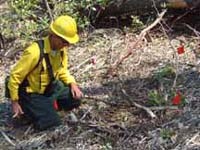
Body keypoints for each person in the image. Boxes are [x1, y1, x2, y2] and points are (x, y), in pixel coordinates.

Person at [7, 15, 83, 130]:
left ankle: (47, 106)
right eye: (64, 41)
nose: (67, 45)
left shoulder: (61, 50)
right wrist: (14, 101)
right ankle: (28, 110)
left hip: (49, 87)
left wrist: (72, 83)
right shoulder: (34, 52)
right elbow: (15, 76)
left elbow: (62, 70)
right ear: (54, 36)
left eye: (68, 42)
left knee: (74, 100)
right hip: (31, 93)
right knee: (51, 122)